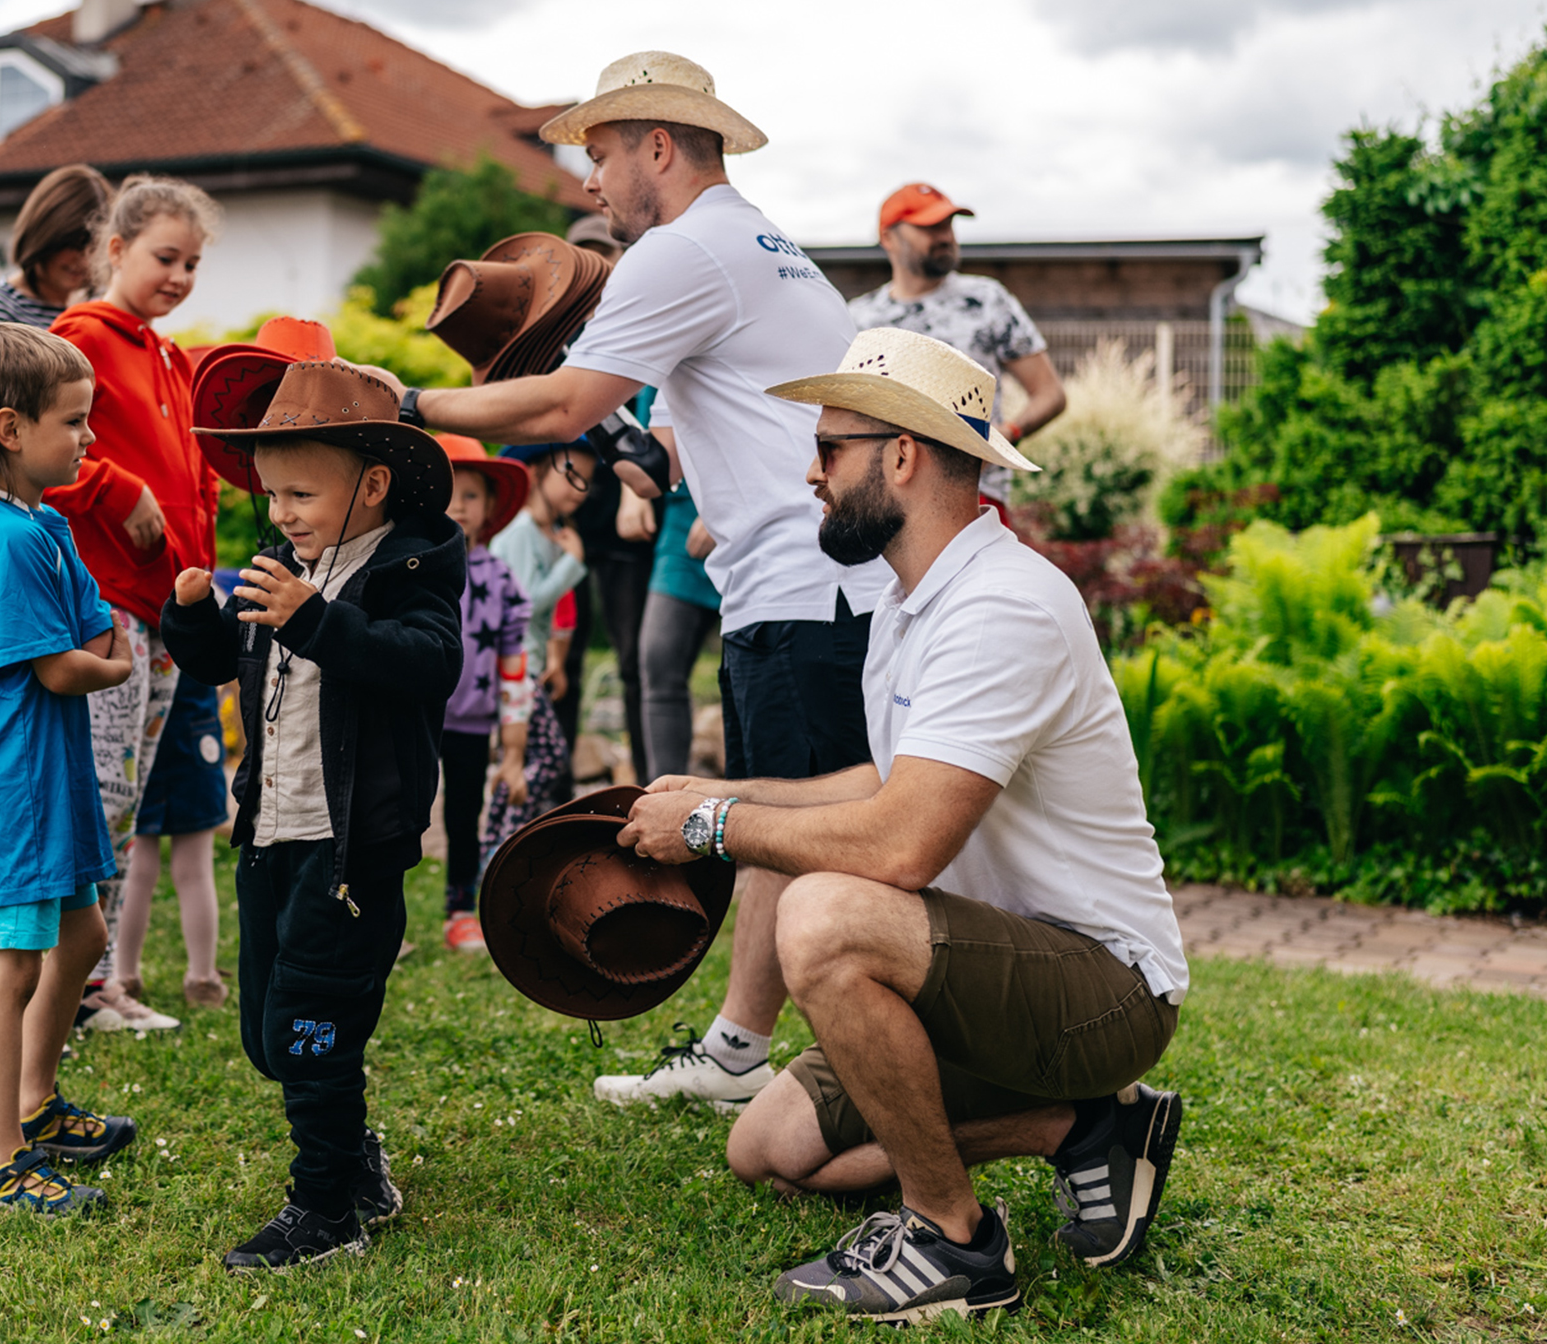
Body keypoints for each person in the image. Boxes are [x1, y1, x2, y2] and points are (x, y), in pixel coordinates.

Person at [618, 328, 1187, 1321]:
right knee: (770, 1150)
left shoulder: (1002, 606)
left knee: (825, 916)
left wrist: (716, 829)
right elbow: (885, 780)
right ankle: (1080, 1129)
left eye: (829, 447)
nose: (810, 473)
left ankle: (953, 1241)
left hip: (1101, 985)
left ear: (904, 455)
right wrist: (714, 792)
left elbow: (899, 844)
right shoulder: (913, 601)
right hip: (983, 975)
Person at [375, 51, 890, 1109]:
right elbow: (684, 413)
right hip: (803, 583)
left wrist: (411, 404)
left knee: (808, 837)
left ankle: (873, 1059)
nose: (587, 181)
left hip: (808, 593)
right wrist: (662, 469)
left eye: (600, 153)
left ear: (659, 143)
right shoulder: (762, 242)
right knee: (769, 831)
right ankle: (740, 1052)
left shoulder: (684, 251)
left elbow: (562, 406)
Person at [159, 361, 461, 1270]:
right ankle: (359, 1162)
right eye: (272, 493)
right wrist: (195, 623)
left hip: (351, 850)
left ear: (371, 486)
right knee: (269, 1035)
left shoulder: (408, 573)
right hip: (271, 837)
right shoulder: (285, 568)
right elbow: (227, 666)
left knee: (309, 1025)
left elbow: (423, 664)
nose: (282, 511)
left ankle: (327, 1207)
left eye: (303, 492)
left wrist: (314, 619)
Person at [0, 322, 138, 1215]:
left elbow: (94, 624)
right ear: (11, 430)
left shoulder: (44, 524)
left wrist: (102, 649)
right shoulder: (3, 540)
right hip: (10, 792)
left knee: (85, 938)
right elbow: (68, 663)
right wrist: (119, 666)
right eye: (75, 422)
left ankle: (37, 1102)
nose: (89, 438)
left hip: (55, 780)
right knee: (9, 970)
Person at [45, 174, 223, 1034]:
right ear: (114, 251)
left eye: (191, 262)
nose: (180, 275)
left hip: (163, 614)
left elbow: (194, 485)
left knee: (128, 796)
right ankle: (72, 989)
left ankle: (101, 979)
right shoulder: (79, 336)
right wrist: (114, 488)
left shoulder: (168, 356)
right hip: (104, 606)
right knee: (101, 796)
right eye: (165, 257)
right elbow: (36, 442)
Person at [847, 184, 1066, 521]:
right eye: (928, 227)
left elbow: (1050, 393)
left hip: (975, 497)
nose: (945, 236)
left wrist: (1006, 435)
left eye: (948, 225)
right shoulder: (859, 319)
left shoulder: (986, 300)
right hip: (885, 501)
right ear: (888, 238)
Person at [435, 435, 534, 952]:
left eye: (470, 495)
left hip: (472, 723)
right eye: (448, 492)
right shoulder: (409, 568)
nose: (457, 506)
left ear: (491, 506)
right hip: (413, 717)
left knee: (462, 815)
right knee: (395, 811)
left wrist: (513, 751)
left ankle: (459, 908)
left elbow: (514, 668)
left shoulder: (501, 581)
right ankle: (377, 906)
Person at [114, 669, 232, 1008]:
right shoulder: (198, 613)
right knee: (195, 871)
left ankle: (124, 976)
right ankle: (202, 979)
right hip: (195, 738)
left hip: (141, 740)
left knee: (137, 869)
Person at [488, 443, 589, 822]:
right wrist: (572, 564)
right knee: (547, 757)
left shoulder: (552, 533)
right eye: (571, 475)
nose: (581, 489)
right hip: (514, 666)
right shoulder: (519, 532)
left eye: (587, 481)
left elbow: (556, 614)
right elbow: (527, 602)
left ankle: (507, 832)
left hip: (528, 664)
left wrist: (555, 660)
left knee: (538, 755)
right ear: (534, 473)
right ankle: (503, 833)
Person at [622, 470, 721, 784]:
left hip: (749, 524)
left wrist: (723, 508)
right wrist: (633, 493)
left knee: (751, 674)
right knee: (657, 659)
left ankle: (755, 808)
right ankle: (663, 794)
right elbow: (642, 441)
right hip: (680, 529)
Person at [0, 164, 111, 338]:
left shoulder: (96, 309)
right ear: (45, 235)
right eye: (73, 245)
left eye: (94, 248)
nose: (83, 260)